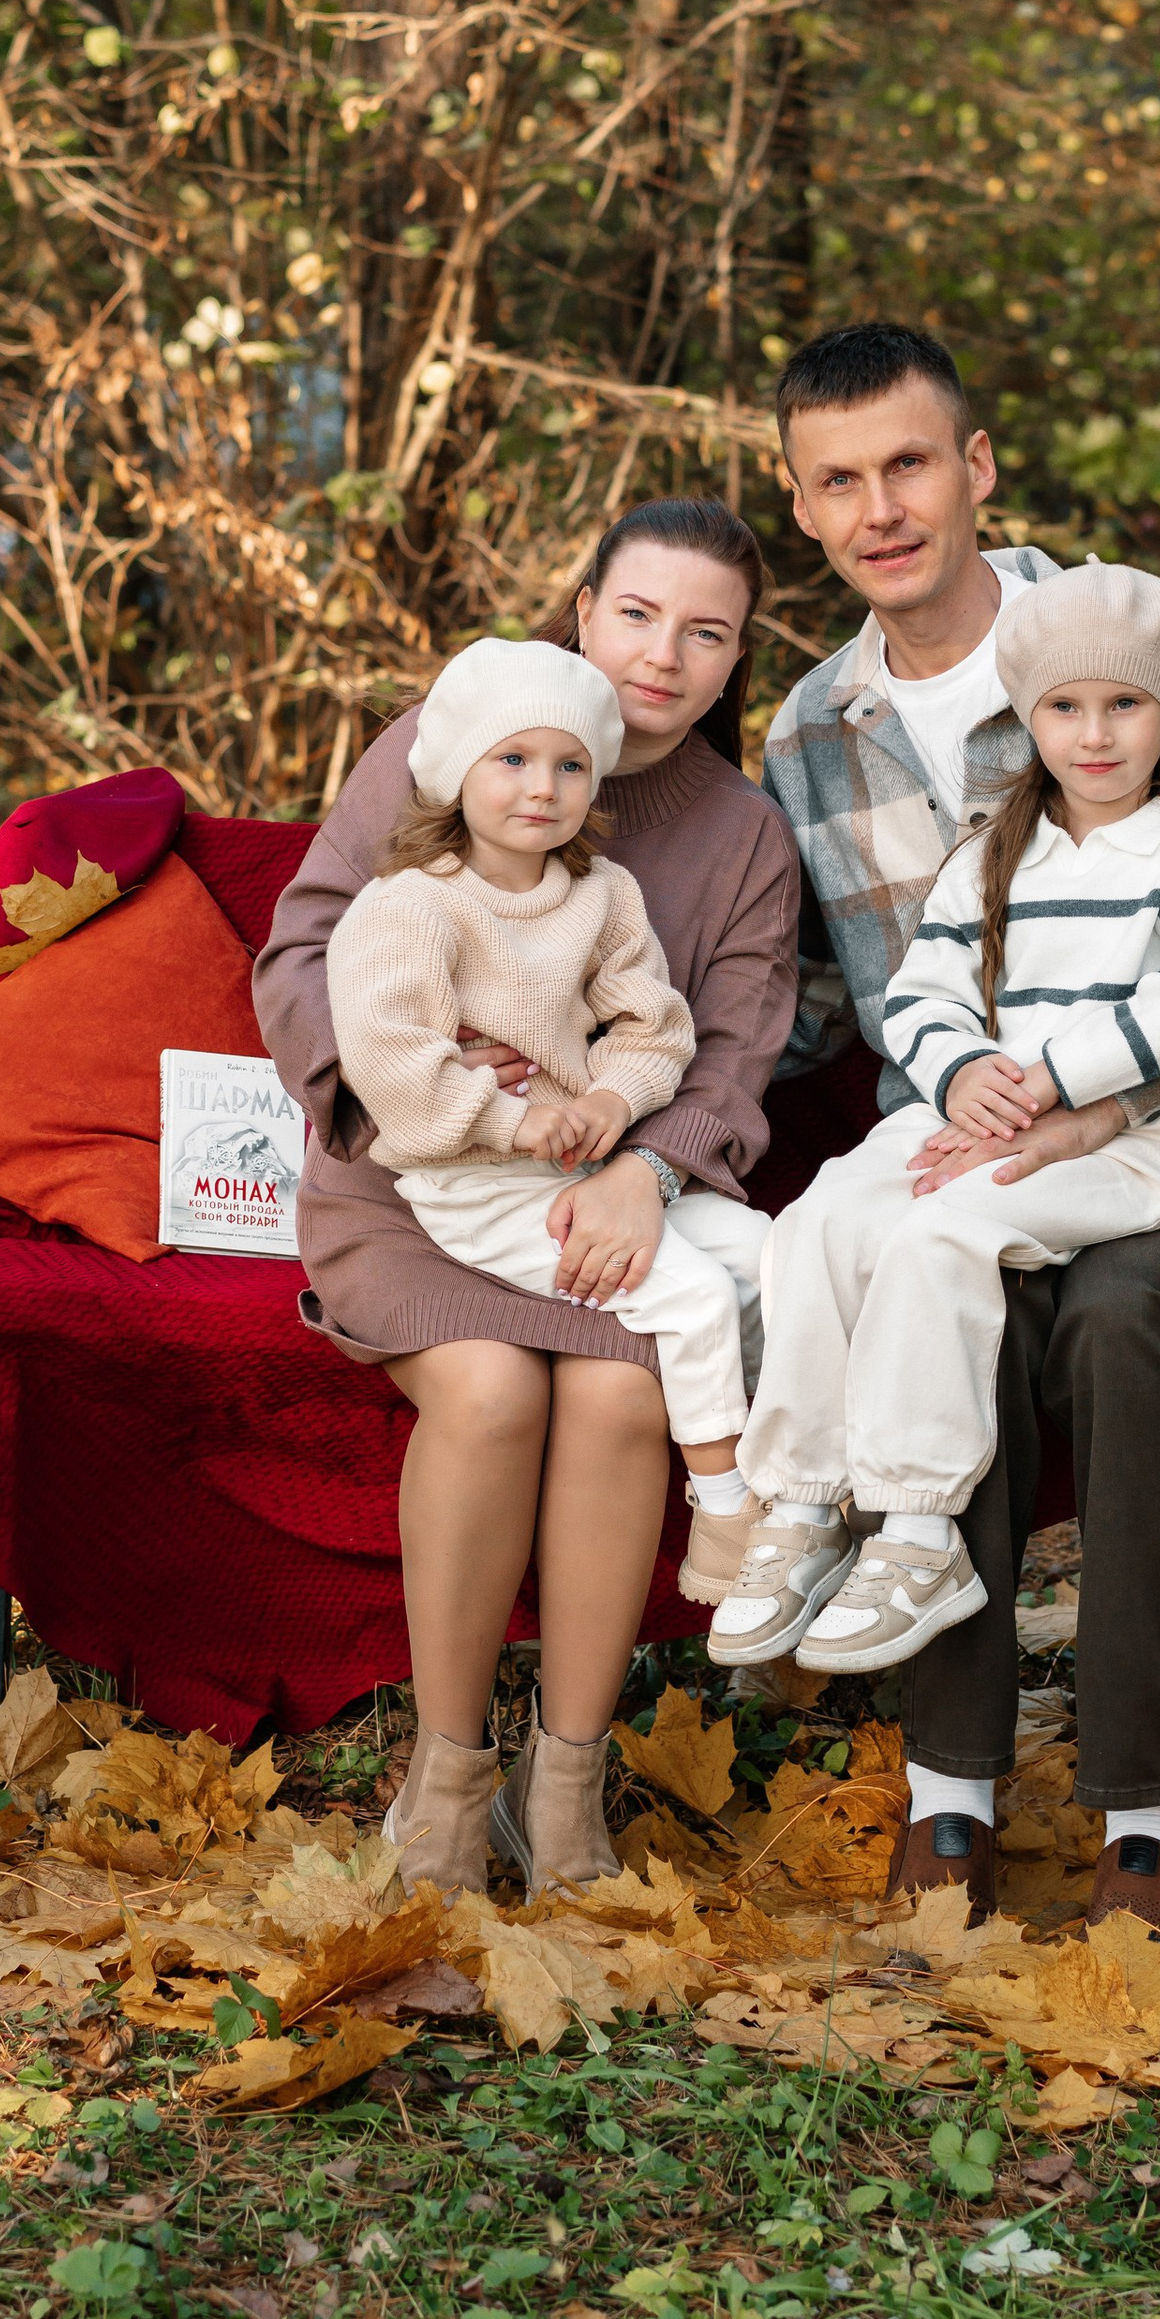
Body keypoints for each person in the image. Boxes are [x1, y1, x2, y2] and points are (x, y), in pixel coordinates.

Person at [758, 322, 1160, 1934]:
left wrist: (1120, 1093)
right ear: (803, 503)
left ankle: (1142, 1814)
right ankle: (949, 1793)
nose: (880, 506)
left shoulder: (1128, 642)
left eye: (908, 463)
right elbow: (832, 1001)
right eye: (840, 480)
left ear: (973, 467)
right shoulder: (810, 735)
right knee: (936, 1272)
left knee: (1116, 1314)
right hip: (985, 1165)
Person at [255, 499, 798, 1899]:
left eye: (706, 632)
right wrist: (409, 1085)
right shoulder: (467, 726)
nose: (661, 656)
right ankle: (442, 1784)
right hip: (413, 1174)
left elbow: (732, 1057)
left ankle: (563, 1787)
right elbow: (304, 946)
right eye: (635, 613)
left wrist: (643, 1166)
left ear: (739, 662)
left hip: (614, 1191)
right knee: (492, 1392)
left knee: (623, 1393)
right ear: (581, 606)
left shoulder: (741, 836)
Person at [715, 566, 1160, 1717]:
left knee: (936, 1239)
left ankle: (918, 1533)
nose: (1095, 734)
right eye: (1065, 708)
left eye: (1125, 706)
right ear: (1029, 718)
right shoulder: (993, 849)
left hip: (1136, 1135)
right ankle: (805, 1502)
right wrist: (964, 1072)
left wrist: (1051, 1081)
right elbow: (921, 991)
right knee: (820, 1218)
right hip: (983, 1109)